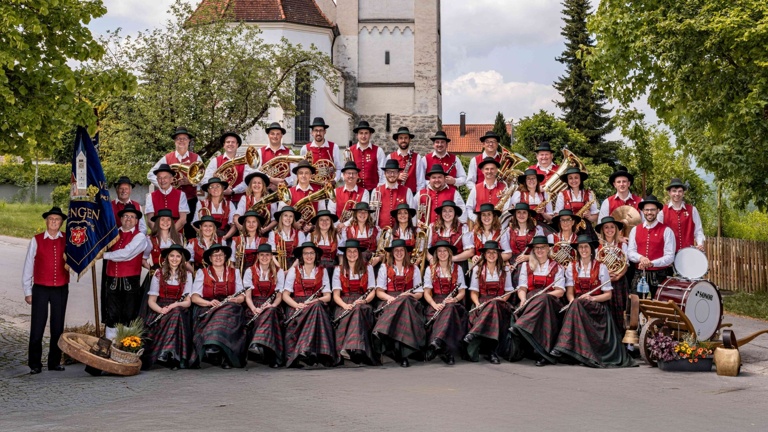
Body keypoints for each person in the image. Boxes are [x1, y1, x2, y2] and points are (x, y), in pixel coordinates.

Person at [551, 235, 633, 368]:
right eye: (581, 247)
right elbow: (570, 293)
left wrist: (591, 298)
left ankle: (562, 347)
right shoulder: (572, 267)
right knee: (576, 303)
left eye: (586, 247)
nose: (583, 250)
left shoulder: (601, 267)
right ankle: (568, 348)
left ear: (591, 249)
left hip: (597, 306)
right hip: (578, 306)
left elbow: (608, 295)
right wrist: (572, 301)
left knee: (577, 304)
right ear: (577, 250)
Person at [22, 207, 70, 374]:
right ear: (46, 221)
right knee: (37, 326)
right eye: (51, 219)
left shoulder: (67, 239)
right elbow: (28, 267)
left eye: (57, 220)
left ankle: (54, 362)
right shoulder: (36, 240)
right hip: (41, 289)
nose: (54, 222)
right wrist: (28, 291)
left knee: (57, 326)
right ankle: (35, 364)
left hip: (61, 289)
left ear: (61, 222)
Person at [508, 236, 565, 367]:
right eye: (536, 248)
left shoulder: (557, 266)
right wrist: (523, 299)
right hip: (530, 301)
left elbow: (560, 291)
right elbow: (522, 288)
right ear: (533, 250)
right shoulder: (526, 266)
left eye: (542, 247)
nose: (539, 250)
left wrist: (541, 296)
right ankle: (542, 353)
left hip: (551, 302)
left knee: (544, 300)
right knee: (541, 312)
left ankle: (521, 325)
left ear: (548, 249)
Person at [190, 244, 247, 369]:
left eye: (220, 255)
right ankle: (217, 348)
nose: (218, 258)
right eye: (214, 255)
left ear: (225, 256)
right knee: (222, 313)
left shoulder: (235, 272)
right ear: (210, 258)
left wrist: (236, 299)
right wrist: (208, 303)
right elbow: (194, 297)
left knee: (228, 310)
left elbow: (242, 296)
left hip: (231, 306)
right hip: (207, 306)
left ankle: (219, 350)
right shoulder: (202, 272)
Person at [282, 241, 336, 368]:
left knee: (316, 307)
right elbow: (285, 295)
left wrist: (316, 301)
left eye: (312, 253)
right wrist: (296, 305)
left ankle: (306, 350)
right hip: (297, 305)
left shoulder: (322, 271)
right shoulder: (294, 271)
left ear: (316, 255)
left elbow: (328, 297)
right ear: (301, 256)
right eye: (306, 253)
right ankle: (313, 351)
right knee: (316, 310)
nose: (309, 256)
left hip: (317, 304)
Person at [373, 239, 425, 367]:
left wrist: (409, 295)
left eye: (402, 250)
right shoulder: (384, 268)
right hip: (389, 301)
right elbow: (379, 292)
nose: (399, 253)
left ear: (406, 253)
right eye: (396, 251)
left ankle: (384, 334)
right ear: (392, 253)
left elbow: (419, 293)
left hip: (410, 301)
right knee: (404, 310)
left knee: (405, 302)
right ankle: (404, 354)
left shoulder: (414, 268)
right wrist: (390, 299)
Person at [142, 244, 193, 370]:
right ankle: (169, 354)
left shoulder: (187, 275)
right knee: (174, 316)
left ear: (182, 259)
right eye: (172, 256)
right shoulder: (158, 273)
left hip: (180, 308)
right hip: (160, 308)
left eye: (177, 256)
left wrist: (175, 304)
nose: (174, 259)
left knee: (176, 313)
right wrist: (161, 310)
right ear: (167, 258)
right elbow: (151, 301)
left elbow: (188, 302)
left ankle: (166, 352)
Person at [102, 203, 148, 341]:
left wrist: (104, 256)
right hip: (112, 280)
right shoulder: (113, 234)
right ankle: (110, 345)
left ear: (136, 220)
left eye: (132, 217)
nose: (128, 219)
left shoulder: (140, 237)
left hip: (130, 281)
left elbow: (126, 254)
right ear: (121, 219)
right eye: (126, 216)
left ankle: (128, 346)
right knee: (112, 315)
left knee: (129, 314)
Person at [332, 239, 382, 365]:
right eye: (349, 251)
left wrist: (364, 300)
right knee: (354, 311)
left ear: (359, 253)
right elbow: (336, 295)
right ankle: (356, 349)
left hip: (363, 302)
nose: (352, 254)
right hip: (344, 303)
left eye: (355, 251)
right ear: (345, 254)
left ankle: (351, 347)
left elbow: (372, 291)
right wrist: (345, 305)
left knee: (359, 310)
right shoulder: (338, 269)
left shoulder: (368, 268)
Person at [465, 240, 514, 364]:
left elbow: (508, 291)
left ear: (498, 255)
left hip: (500, 302)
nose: (491, 255)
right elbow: (474, 292)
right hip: (482, 302)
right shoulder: (478, 268)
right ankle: (491, 352)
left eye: (494, 252)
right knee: (492, 307)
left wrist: (500, 300)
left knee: (494, 305)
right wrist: (476, 303)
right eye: (488, 253)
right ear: (484, 255)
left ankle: (474, 333)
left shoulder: (505, 269)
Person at [147, 126, 201, 239]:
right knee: (172, 227)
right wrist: (166, 184)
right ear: (175, 141)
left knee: (191, 231)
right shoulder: (167, 157)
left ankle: (190, 254)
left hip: (190, 199)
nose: (181, 141)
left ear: (189, 140)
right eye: (178, 138)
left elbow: (202, 178)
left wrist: (190, 182)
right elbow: (150, 174)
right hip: (173, 200)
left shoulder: (196, 158)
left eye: (184, 138)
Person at [423, 240, 468, 365]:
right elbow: (427, 293)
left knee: (450, 308)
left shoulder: (457, 269)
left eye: (445, 251)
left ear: (449, 253)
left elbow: (462, 292)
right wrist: (434, 305)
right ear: (436, 254)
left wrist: (455, 299)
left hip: (453, 302)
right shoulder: (430, 269)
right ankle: (447, 352)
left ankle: (438, 342)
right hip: (436, 302)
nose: (442, 253)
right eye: (439, 251)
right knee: (448, 312)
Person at [243, 243, 284, 368]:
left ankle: (257, 344)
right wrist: (254, 308)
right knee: (267, 317)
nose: (264, 257)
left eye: (267, 255)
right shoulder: (249, 271)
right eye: (262, 255)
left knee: (270, 313)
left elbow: (279, 296)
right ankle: (272, 357)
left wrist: (272, 305)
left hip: (271, 305)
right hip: (254, 305)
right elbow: (248, 296)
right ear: (258, 256)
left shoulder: (279, 271)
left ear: (271, 256)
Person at [628, 195, 676, 298]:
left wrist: (651, 263)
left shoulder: (667, 231)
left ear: (658, 210)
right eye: (647, 210)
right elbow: (630, 252)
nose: (649, 212)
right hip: (639, 274)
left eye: (652, 210)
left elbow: (670, 256)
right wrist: (641, 258)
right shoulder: (635, 230)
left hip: (660, 275)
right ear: (643, 211)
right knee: (634, 307)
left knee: (660, 309)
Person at [202, 132, 254, 204]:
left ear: (237, 145)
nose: (230, 144)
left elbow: (247, 181)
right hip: (218, 201)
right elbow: (205, 179)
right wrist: (219, 189)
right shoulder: (215, 161)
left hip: (239, 201)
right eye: (228, 142)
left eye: (233, 142)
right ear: (224, 145)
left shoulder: (245, 162)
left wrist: (233, 191)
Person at [428, 200, 474, 275]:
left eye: (450, 211)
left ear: (455, 213)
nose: (447, 214)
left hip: (458, 266)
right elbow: (426, 249)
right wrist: (431, 259)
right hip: (437, 266)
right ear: (441, 213)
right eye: (444, 211)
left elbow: (470, 252)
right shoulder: (432, 227)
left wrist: (451, 259)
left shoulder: (463, 228)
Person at [660, 178, 705, 252]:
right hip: (668, 253)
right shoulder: (662, 211)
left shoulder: (692, 210)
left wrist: (700, 243)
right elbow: (659, 232)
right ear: (669, 192)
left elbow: (698, 230)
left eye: (680, 191)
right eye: (674, 191)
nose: (677, 194)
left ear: (683, 193)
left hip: (688, 252)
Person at [507, 203, 545, 285]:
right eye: (519, 212)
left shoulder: (537, 230)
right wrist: (507, 264)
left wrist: (528, 257)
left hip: (532, 261)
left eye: (524, 212)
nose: (521, 215)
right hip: (513, 263)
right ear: (515, 215)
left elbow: (543, 251)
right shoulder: (508, 231)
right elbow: (505, 251)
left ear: (528, 215)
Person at [144, 164, 189, 233]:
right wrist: (160, 235)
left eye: (165, 177)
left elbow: (183, 219)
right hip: (157, 237)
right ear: (157, 180)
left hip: (176, 236)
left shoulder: (181, 195)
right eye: (159, 178)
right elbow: (150, 221)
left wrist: (170, 234)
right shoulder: (150, 196)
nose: (162, 180)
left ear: (171, 179)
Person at [288, 160, 331, 232]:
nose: (303, 176)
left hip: (314, 231)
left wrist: (313, 226)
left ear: (311, 175)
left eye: (306, 173)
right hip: (293, 231)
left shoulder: (319, 192)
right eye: (301, 173)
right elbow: (282, 215)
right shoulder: (289, 192)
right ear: (297, 175)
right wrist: (294, 224)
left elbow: (322, 214)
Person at [465, 157, 508, 228]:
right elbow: (468, 208)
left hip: (499, 227)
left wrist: (500, 225)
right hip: (479, 228)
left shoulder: (504, 188)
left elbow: (507, 211)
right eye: (487, 169)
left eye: (492, 169)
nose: (489, 171)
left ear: (497, 170)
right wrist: (476, 220)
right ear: (482, 171)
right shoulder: (476, 188)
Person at [554, 167, 599, 235]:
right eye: (570, 178)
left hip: (585, 228)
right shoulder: (562, 194)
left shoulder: (589, 194)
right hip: (568, 228)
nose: (573, 180)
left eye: (576, 177)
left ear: (580, 179)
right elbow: (557, 214)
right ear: (567, 180)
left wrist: (589, 216)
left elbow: (595, 217)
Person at [370, 159, 414, 228]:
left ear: (399, 173)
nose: (392, 175)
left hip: (401, 232)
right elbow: (371, 214)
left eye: (395, 172)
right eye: (389, 172)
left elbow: (412, 215)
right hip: (381, 232)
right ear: (385, 173)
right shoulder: (376, 191)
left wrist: (412, 230)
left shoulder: (407, 191)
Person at [300, 117, 343, 183]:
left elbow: (338, 168)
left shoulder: (334, 147)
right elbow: (302, 170)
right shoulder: (305, 148)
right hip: (311, 187)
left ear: (325, 132)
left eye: (321, 130)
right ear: (312, 132)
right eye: (316, 130)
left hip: (329, 186)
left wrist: (334, 180)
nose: (318, 133)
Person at [194, 177, 237, 242]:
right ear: (208, 190)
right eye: (212, 187)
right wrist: (206, 236)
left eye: (218, 186)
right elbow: (194, 224)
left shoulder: (229, 204)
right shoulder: (200, 203)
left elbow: (234, 225)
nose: (215, 189)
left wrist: (225, 238)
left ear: (222, 189)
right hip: (205, 238)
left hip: (224, 237)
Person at [347, 120, 386, 192]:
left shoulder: (378, 151)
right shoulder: (349, 151)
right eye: (361, 133)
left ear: (370, 134)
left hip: (373, 190)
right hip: (355, 190)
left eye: (366, 133)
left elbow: (382, 173)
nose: (363, 136)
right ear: (357, 135)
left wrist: (378, 190)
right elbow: (344, 173)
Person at [256, 122, 296, 190]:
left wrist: (283, 182)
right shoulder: (260, 152)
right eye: (272, 134)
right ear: (268, 135)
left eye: (278, 134)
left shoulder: (289, 152)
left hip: (284, 192)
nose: (275, 136)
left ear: (281, 136)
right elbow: (256, 172)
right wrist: (271, 179)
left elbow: (294, 175)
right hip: (265, 191)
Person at [387, 126, 425, 194]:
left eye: (406, 138)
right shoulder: (390, 157)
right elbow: (385, 177)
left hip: (412, 194)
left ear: (409, 139)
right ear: (397, 140)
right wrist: (396, 176)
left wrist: (418, 197)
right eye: (401, 138)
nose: (403, 140)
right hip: (395, 193)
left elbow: (421, 181)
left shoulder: (417, 157)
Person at [306, 210, 342, 280]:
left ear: (331, 222)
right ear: (318, 222)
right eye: (321, 220)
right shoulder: (311, 236)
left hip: (332, 269)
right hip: (315, 268)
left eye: (327, 220)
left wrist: (340, 270)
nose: (324, 222)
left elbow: (341, 257)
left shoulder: (336, 235)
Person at [333, 161, 370, 225]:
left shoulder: (365, 192)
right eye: (348, 173)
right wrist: (337, 225)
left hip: (356, 229)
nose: (351, 176)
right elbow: (331, 212)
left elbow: (362, 213)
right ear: (344, 175)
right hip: (337, 228)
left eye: (354, 173)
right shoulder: (335, 191)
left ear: (357, 176)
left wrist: (344, 225)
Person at [344, 202, 381, 266]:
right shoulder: (347, 230)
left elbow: (381, 251)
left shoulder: (376, 230)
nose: (362, 214)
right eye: (360, 211)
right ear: (356, 214)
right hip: (352, 263)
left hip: (371, 264)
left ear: (368, 214)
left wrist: (378, 258)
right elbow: (343, 251)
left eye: (365, 212)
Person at [268, 205, 302, 269]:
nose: (288, 218)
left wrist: (290, 270)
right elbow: (272, 255)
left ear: (293, 219)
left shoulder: (299, 234)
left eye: (291, 216)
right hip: (277, 265)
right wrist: (280, 269)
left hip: (294, 267)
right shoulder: (272, 234)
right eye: (285, 215)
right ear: (281, 218)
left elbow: (299, 256)